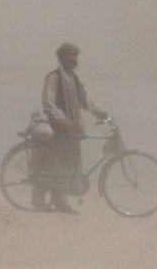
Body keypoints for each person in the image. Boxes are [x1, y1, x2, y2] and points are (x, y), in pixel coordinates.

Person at [39, 43, 108, 214]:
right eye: (69, 55)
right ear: (61, 57)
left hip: (72, 131)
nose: (73, 58)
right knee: (58, 165)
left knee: (70, 164)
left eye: (75, 55)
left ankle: (60, 201)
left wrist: (102, 113)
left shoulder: (74, 79)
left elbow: (85, 101)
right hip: (59, 128)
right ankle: (49, 201)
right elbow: (48, 103)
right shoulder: (53, 78)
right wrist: (64, 120)